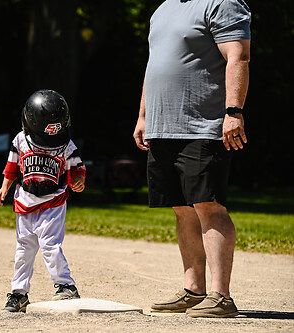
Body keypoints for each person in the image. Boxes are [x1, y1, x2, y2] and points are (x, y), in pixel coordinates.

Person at [133, 0, 251, 318]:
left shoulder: (222, 3)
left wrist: (233, 112)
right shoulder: (163, 8)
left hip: (203, 125)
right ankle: (193, 290)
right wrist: (144, 115)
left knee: (207, 206)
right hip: (163, 126)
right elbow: (154, 64)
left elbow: (238, 56)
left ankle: (221, 296)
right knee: (182, 209)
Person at [0, 90, 86, 312]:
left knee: (49, 245)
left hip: (53, 202)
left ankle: (66, 286)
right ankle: (19, 294)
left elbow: (77, 168)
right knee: (23, 249)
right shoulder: (20, 139)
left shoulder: (66, 144)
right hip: (25, 201)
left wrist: (78, 180)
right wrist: (4, 187)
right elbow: (12, 167)